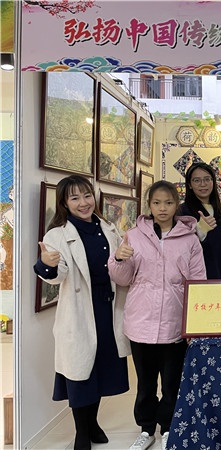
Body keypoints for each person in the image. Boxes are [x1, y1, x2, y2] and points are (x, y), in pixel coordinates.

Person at [108, 181, 207, 450]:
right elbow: (122, 279)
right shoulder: (133, 236)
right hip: (141, 322)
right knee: (145, 383)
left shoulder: (189, 239)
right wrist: (119, 259)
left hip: (175, 323)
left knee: (172, 383)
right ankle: (146, 429)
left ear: (177, 205)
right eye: (156, 203)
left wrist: (194, 325)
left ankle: (168, 430)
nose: (162, 208)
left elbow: (198, 282)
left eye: (168, 203)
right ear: (149, 205)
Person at [33, 175, 130, 450]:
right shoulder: (57, 234)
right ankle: (81, 432)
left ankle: (94, 423)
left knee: (100, 370)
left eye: (87, 195)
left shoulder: (108, 228)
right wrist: (46, 263)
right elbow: (57, 275)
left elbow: (119, 266)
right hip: (79, 311)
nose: (84, 202)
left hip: (108, 308)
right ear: (64, 203)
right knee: (80, 373)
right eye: (74, 198)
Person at [179, 162, 221, 279]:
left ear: (213, 182)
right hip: (197, 278)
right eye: (197, 180)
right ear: (189, 185)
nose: (203, 184)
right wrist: (198, 231)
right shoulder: (182, 212)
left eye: (207, 179)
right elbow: (177, 249)